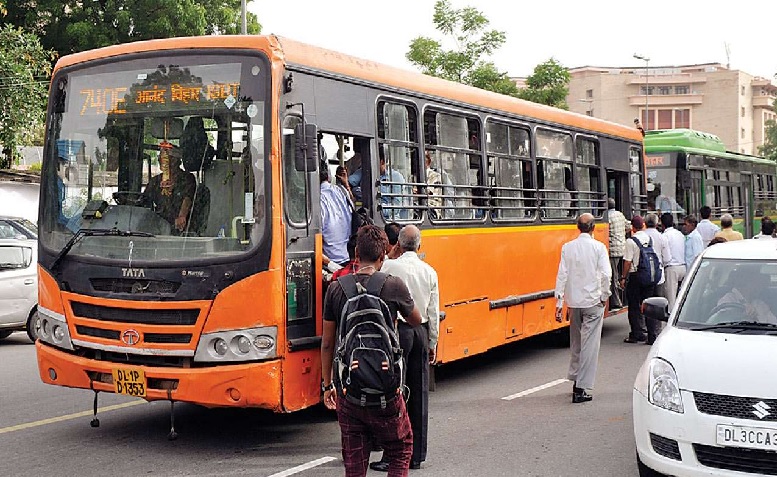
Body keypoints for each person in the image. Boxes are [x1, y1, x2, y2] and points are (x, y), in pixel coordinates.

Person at [321, 225, 422, 477]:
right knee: (401, 448)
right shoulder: (393, 285)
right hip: (386, 388)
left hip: (349, 389)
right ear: (382, 257)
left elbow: (327, 343)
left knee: (354, 461)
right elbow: (416, 320)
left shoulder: (336, 288)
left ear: (356, 253)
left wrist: (326, 386)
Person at [371, 225, 439, 471]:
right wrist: (432, 342)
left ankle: (393, 454)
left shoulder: (389, 266)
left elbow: (379, 273)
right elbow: (432, 311)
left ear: (398, 244)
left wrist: (391, 254)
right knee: (419, 393)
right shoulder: (429, 271)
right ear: (419, 246)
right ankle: (417, 455)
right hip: (420, 331)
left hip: (397, 331)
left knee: (395, 393)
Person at [554, 213, 611, 403]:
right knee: (589, 346)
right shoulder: (599, 248)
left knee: (577, 344)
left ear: (578, 227)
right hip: (593, 301)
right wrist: (604, 296)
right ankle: (581, 388)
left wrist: (559, 302)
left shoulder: (567, 248)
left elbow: (562, 274)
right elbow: (606, 275)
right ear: (593, 227)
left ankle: (575, 380)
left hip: (574, 302)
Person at [621, 215, 659, 345]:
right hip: (649, 275)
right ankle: (652, 335)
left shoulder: (631, 241)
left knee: (634, 306)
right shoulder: (649, 238)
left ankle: (637, 334)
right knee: (648, 305)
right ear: (643, 226)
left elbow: (627, 262)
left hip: (635, 276)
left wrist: (623, 278)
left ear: (632, 227)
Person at [142, 145, 196, 233]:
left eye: (164, 157)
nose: (160, 160)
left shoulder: (187, 178)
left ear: (175, 160)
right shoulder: (155, 180)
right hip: (157, 225)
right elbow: (145, 199)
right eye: (159, 157)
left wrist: (181, 217)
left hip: (179, 228)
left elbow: (187, 198)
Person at [320, 162, 353, 269]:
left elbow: (318, 238)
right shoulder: (341, 191)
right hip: (348, 256)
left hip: (330, 262)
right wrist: (346, 185)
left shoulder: (317, 200)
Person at [660, 213, 686, 312]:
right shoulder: (680, 234)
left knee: (671, 298)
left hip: (672, 268)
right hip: (683, 267)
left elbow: (666, 257)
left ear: (662, 224)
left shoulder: (664, 236)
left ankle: (671, 318)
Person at [643, 213, 671, 294]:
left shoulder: (641, 236)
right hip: (659, 276)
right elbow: (667, 259)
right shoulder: (662, 237)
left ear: (645, 223)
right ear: (657, 223)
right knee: (659, 302)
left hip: (644, 275)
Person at [607, 199, 627, 309]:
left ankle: (617, 301)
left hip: (613, 251)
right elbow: (628, 226)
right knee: (619, 274)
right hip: (622, 249)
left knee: (613, 276)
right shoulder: (620, 215)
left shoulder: (608, 217)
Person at [379, 154, 406, 220]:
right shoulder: (364, 172)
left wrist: (377, 209)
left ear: (382, 162)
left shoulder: (396, 177)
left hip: (389, 220)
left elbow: (396, 207)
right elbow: (351, 182)